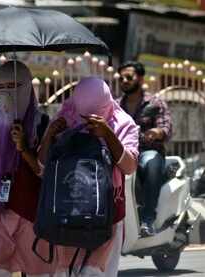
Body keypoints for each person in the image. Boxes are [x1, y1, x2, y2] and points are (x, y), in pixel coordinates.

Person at [0, 61, 67, 276]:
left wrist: (24, 148)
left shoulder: (42, 124)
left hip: (32, 213)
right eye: (3, 87)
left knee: (39, 272)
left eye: (15, 86)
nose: (8, 93)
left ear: (27, 87)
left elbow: (45, 171)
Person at [39, 77, 139, 276]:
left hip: (107, 215)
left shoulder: (123, 123)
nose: (86, 119)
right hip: (67, 211)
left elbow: (129, 167)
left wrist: (108, 134)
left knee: (94, 272)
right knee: (63, 272)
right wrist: (50, 135)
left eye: (95, 113)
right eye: (83, 114)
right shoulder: (66, 117)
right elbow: (42, 165)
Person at [117, 61, 172, 236]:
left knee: (151, 162)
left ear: (140, 79)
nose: (125, 80)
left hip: (146, 152)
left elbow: (167, 127)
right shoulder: (116, 106)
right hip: (123, 153)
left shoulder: (155, 103)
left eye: (129, 77)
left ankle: (148, 219)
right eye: (122, 78)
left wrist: (158, 132)